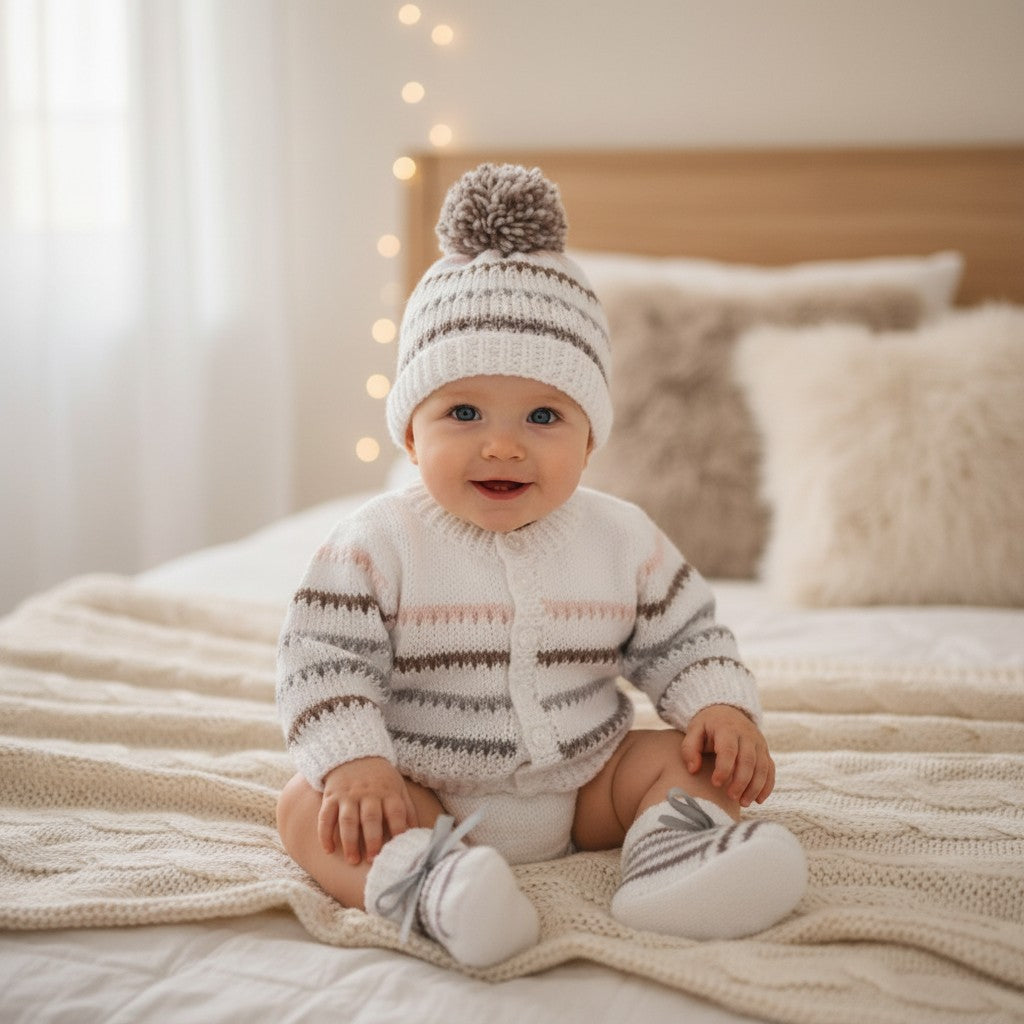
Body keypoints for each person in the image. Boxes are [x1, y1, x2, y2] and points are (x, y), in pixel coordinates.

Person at [275, 164, 806, 968]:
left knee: (686, 761)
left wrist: (719, 709)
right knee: (307, 807)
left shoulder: (621, 537)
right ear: (411, 434)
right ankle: (432, 888)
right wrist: (357, 761)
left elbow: (687, 638)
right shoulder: (373, 543)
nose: (503, 443)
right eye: (462, 412)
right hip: (422, 788)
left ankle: (677, 861)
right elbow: (320, 661)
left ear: (590, 437)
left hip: (588, 785)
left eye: (544, 415)